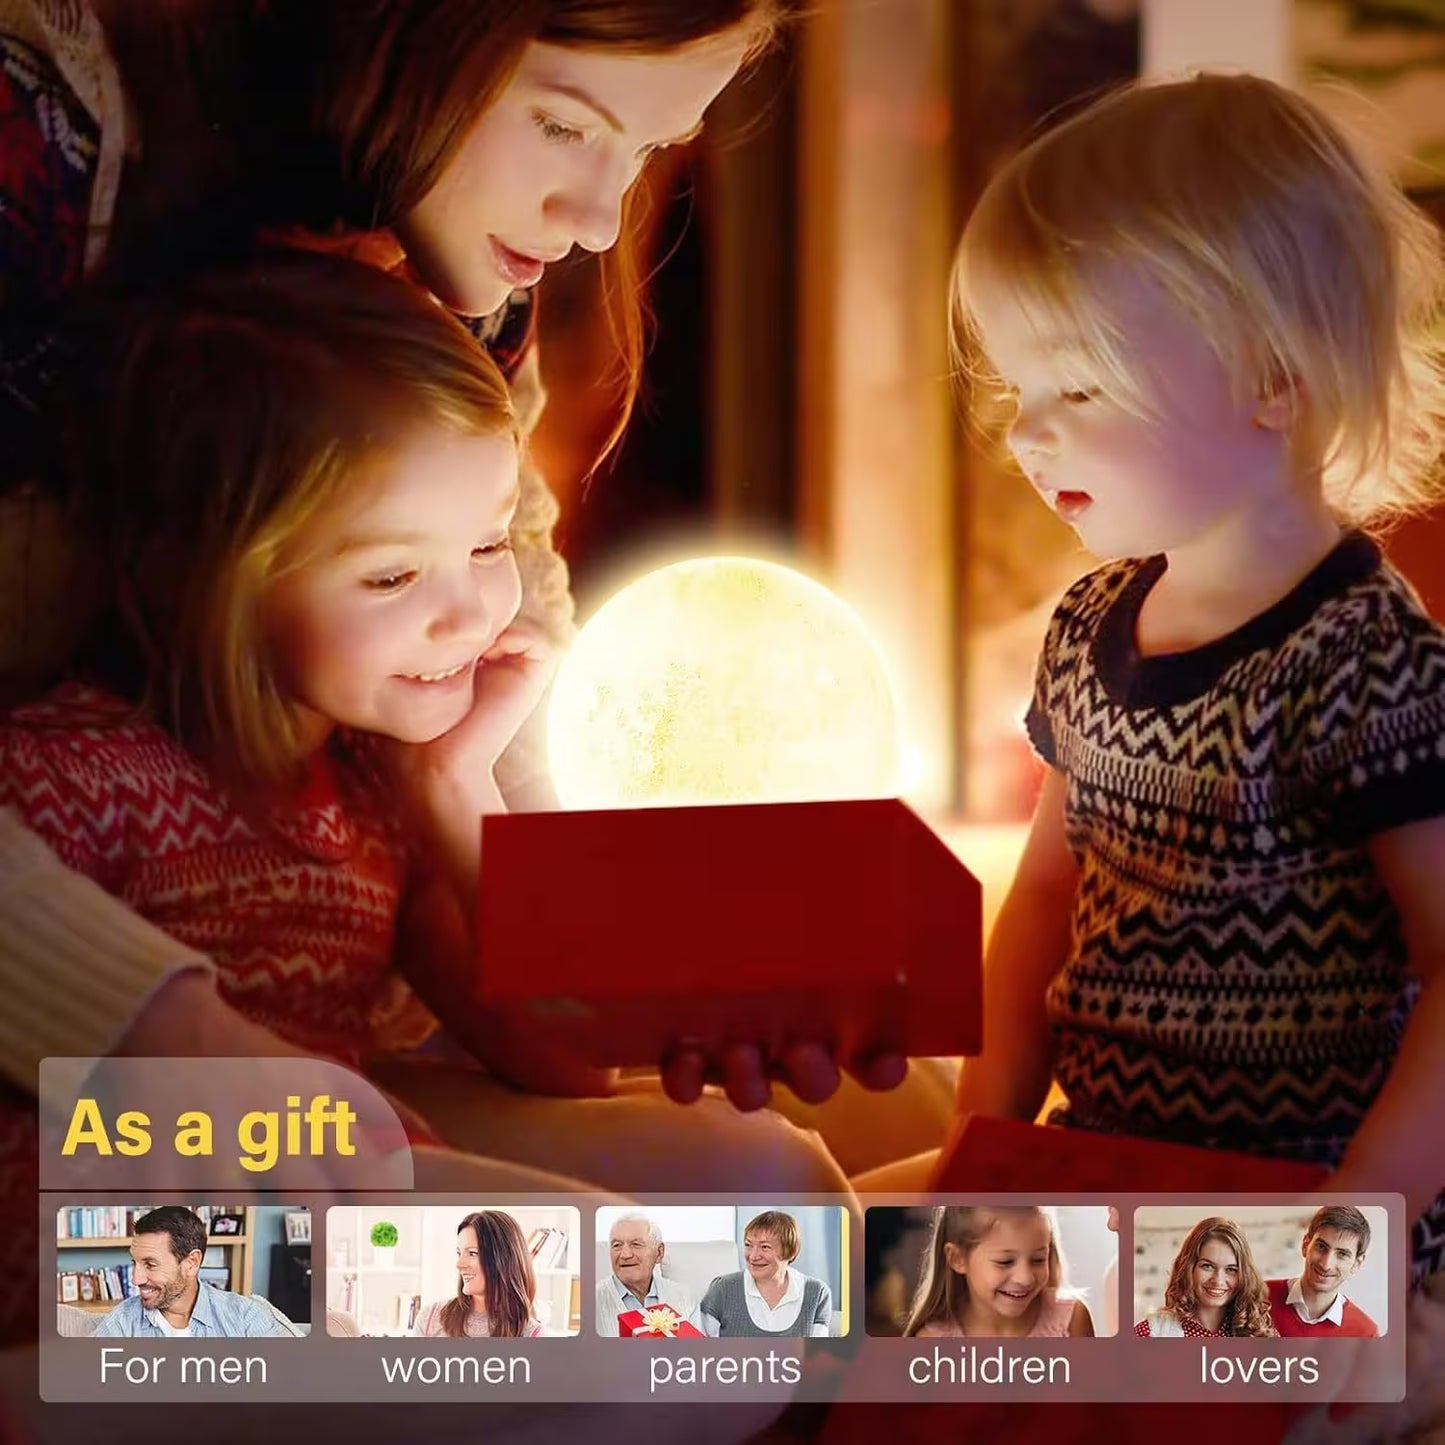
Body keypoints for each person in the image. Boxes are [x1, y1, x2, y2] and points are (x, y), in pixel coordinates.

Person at [947, 71, 1445, 1287]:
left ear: (1271, 379)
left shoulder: (1360, 661)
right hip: (1107, 1176)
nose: (1023, 431)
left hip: (1296, 1216)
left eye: (1078, 386)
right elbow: (1038, 908)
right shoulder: (1083, 627)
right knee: (831, 1298)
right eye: (1019, 390)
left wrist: (1357, 1226)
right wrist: (982, 1143)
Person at [94, 1206, 293, 1338]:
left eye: (151, 1265)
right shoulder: (122, 1322)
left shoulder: (245, 1317)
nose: (135, 1279)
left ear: (191, 1262)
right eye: (134, 1262)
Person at [902, 1205, 1092, 1339]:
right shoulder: (933, 1342)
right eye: (1005, 1262)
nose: (1025, 1278)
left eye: (1038, 1259)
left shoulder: (1071, 1320)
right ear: (957, 1259)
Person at [1136, 1217, 1276, 1339]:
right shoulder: (1152, 1333)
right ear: (1188, 1268)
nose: (1218, 1280)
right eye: (1207, 1266)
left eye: (1231, 1270)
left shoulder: (1260, 1334)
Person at [699, 1210, 832, 1338]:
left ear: (790, 1251)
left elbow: (818, 1355)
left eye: (765, 1247)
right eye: (748, 1245)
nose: (753, 1256)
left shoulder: (817, 1293)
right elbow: (700, 1347)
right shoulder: (723, 1288)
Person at [414, 1211, 545, 1338]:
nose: (460, 1264)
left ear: (503, 1259)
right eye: (459, 1253)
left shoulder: (531, 1334)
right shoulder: (430, 1319)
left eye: (472, 1253)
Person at [1268, 1204, 1380, 1338]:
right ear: (1305, 1245)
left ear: (1356, 1263)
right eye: (1321, 1247)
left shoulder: (1366, 1333)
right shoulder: (1255, 1296)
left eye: (1342, 1254)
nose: (1326, 1264)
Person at [595, 1213, 702, 1336]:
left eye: (636, 1244)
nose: (625, 1255)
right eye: (617, 1245)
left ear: (659, 1252)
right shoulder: (592, 1301)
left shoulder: (684, 1296)